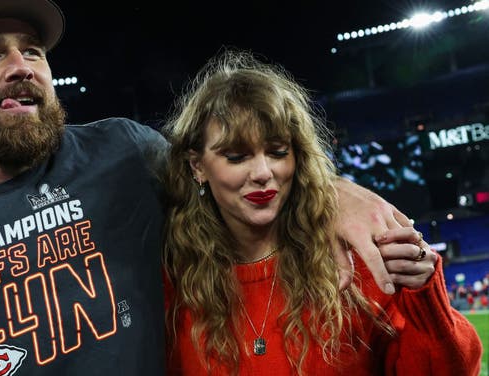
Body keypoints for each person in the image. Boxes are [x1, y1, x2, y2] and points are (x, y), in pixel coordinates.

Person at [0, 0, 429, 375]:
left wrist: (336, 194)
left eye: (32, 49)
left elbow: (235, 169)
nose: (21, 64)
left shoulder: (125, 155)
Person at [162, 50, 483, 375]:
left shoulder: (355, 261)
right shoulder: (172, 282)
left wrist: (423, 292)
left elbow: (450, 369)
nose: (262, 172)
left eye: (277, 152)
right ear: (197, 166)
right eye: (236, 156)